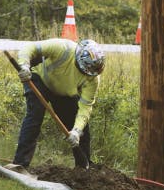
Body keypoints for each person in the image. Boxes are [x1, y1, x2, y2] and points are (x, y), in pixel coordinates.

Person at [12, 38, 105, 169]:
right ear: (79, 60)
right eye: (85, 69)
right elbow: (29, 48)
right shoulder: (63, 48)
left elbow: (85, 107)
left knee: (82, 128)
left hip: (63, 93)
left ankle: (84, 168)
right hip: (40, 79)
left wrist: (76, 131)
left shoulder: (93, 78)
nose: (86, 74)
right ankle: (20, 164)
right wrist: (24, 66)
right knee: (35, 115)